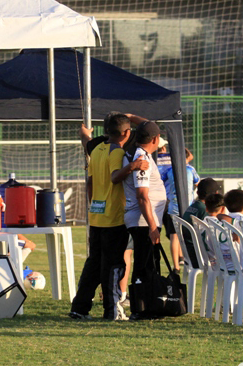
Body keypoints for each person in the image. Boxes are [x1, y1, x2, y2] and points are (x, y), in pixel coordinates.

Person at [70, 113, 139, 321]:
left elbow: (90, 182)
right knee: (114, 265)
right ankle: (112, 310)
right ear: (126, 133)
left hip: (97, 215)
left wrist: (84, 134)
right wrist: (133, 166)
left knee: (93, 264)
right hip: (113, 217)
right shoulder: (116, 151)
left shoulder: (96, 149)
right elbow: (115, 177)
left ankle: (79, 308)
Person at [123, 120, 168, 320]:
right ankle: (141, 309)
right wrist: (152, 226)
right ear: (155, 139)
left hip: (145, 220)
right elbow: (142, 195)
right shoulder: (141, 158)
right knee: (145, 264)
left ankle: (148, 306)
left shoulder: (141, 155)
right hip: (143, 221)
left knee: (149, 263)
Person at [161, 149, 200, 270]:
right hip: (187, 207)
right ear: (187, 157)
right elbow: (197, 182)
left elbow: (161, 180)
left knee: (174, 237)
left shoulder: (169, 170)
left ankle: (176, 266)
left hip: (173, 207)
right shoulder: (190, 169)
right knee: (190, 235)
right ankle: (190, 261)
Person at [180, 178, 222, 268]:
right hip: (200, 255)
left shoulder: (194, 206)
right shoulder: (205, 209)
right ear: (215, 195)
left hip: (189, 252)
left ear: (197, 193)